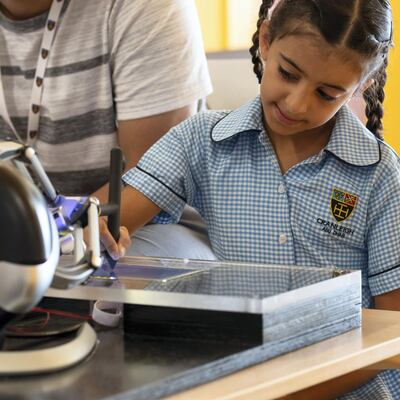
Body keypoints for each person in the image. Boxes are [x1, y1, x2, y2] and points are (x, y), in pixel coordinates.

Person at [102, 0, 400, 398]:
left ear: (360, 86)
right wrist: (105, 235)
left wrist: (279, 393)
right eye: (288, 74)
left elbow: (392, 334)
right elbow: (112, 221)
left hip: (348, 386)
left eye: (327, 94)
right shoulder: (200, 142)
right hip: (250, 378)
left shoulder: (380, 176)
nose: (297, 104)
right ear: (265, 40)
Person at [0, 0, 215, 259]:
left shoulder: (148, 6)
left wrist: (50, 234)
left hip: (151, 227)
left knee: (104, 269)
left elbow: (152, 181)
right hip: (26, 231)